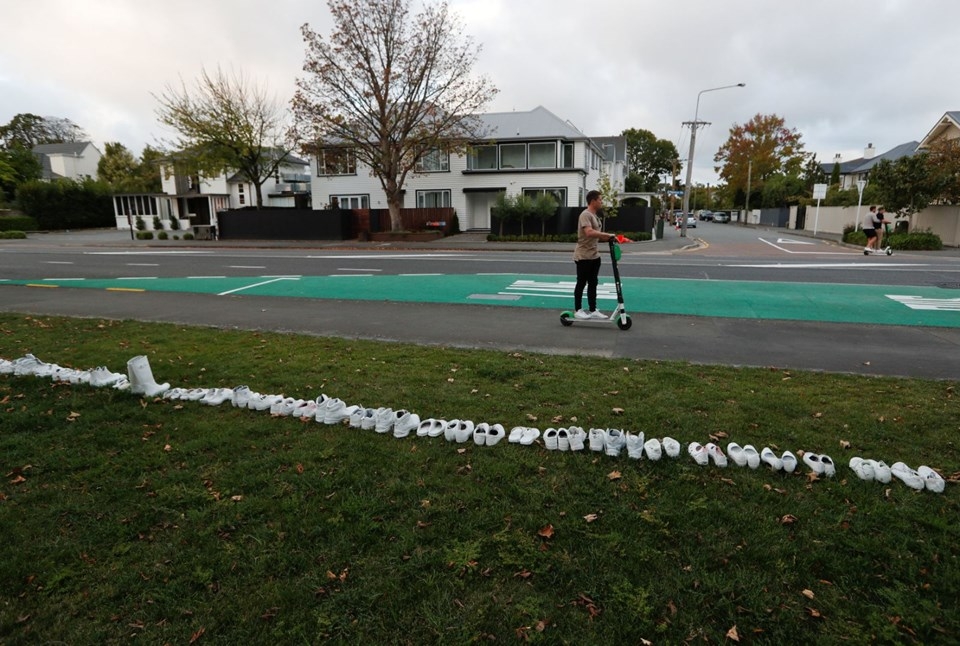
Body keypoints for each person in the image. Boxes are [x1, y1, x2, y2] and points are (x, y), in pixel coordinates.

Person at [573, 190, 615, 320]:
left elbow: (597, 236)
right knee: (581, 282)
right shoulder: (585, 215)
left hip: (594, 255)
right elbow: (589, 232)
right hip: (583, 255)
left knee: (593, 282)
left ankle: (592, 309)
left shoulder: (595, 216)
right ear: (593, 201)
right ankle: (578, 309)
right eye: (600, 200)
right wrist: (607, 235)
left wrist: (610, 238)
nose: (601, 202)